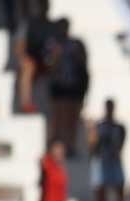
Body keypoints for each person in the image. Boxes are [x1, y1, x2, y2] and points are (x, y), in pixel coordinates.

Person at [44, 19, 88, 155]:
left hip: (73, 86)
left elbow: (83, 62)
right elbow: (48, 63)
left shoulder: (75, 44)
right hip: (58, 86)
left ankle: (70, 145)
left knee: (72, 118)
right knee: (57, 116)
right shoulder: (52, 44)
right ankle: (54, 146)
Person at [89, 99, 127, 201]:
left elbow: (121, 146)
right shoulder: (99, 127)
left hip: (115, 164)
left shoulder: (119, 127)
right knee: (101, 199)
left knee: (120, 197)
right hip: (102, 164)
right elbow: (93, 148)